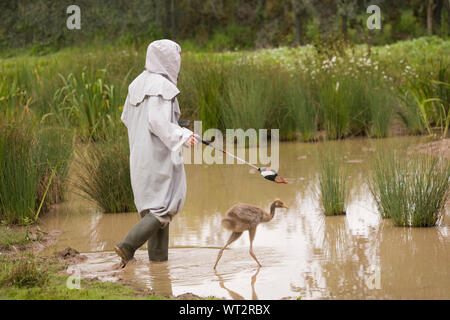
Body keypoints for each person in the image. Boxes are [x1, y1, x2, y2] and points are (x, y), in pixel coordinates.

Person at [114, 39, 197, 266]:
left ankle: (159, 263)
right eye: (176, 57)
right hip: (159, 156)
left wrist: (178, 127)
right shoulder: (162, 86)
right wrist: (181, 135)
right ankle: (127, 246)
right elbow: (157, 121)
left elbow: (128, 120)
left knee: (154, 209)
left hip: (140, 155)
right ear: (169, 59)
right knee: (164, 207)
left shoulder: (136, 84)